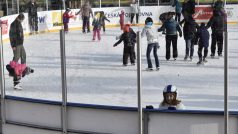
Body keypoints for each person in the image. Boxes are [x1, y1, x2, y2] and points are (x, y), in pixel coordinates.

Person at [9, 13, 26, 90]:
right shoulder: (13, 24)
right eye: (22, 20)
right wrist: (13, 45)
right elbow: (11, 36)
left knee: (23, 56)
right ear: (19, 18)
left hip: (20, 44)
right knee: (15, 61)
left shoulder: (18, 23)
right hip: (16, 45)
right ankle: (15, 81)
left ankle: (21, 71)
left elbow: (20, 34)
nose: (22, 21)